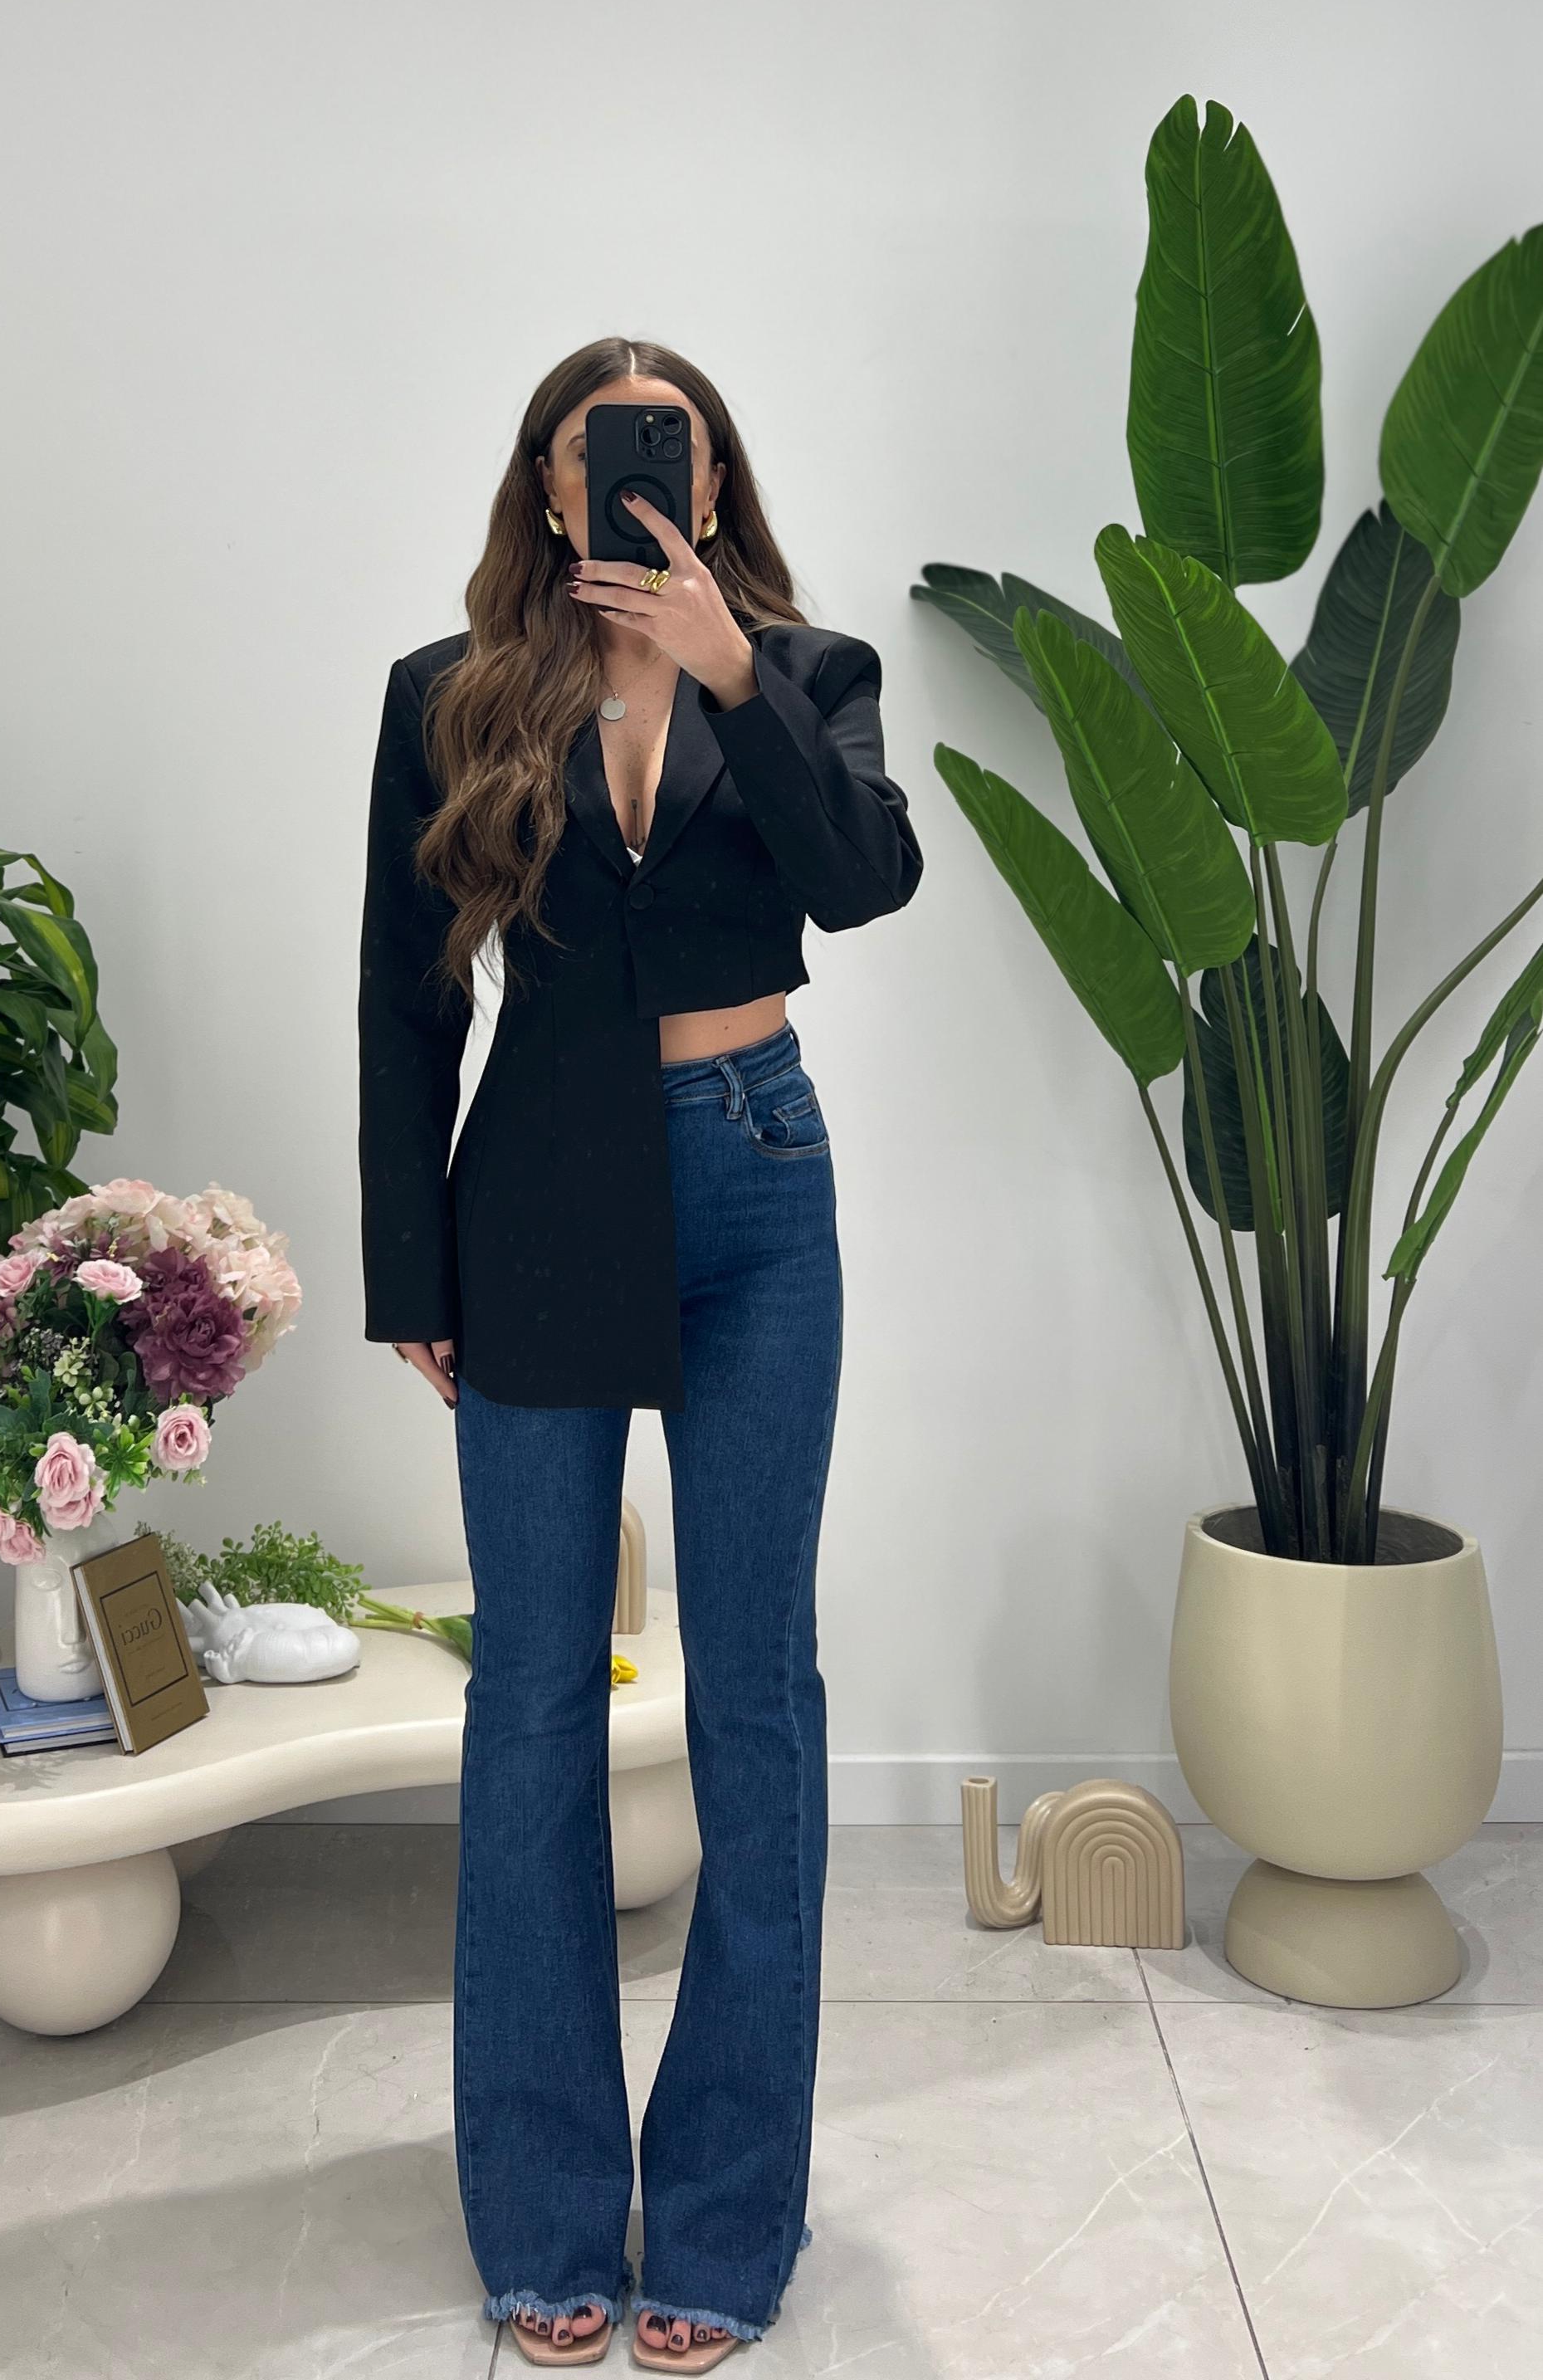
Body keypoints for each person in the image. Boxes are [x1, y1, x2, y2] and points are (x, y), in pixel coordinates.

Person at [357, 338, 922, 2368]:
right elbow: (403, 997)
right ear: (545, 478)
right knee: (531, 1704)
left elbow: (865, 882)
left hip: (756, 1178)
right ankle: (539, 2210)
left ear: (708, 477)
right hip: (535, 1188)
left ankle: (722, 2218)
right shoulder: (449, 692)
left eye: (665, 448)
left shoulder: (810, 670)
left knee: (756, 1697)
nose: (627, 475)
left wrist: (730, 671)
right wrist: (408, 1265)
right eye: (592, 449)